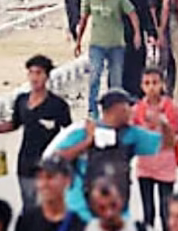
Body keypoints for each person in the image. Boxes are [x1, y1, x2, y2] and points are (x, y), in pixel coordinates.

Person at [55, 89, 166, 221]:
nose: (132, 111)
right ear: (117, 109)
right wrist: (87, 142)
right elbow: (57, 158)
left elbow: (166, 144)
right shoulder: (84, 131)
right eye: (128, 107)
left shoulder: (132, 134)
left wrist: (162, 123)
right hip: (81, 211)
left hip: (117, 213)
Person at [0, 55, 72, 209]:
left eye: (38, 73)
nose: (34, 77)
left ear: (46, 76)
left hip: (48, 167)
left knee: (45, 208)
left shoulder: (58, 105)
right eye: (31, 73)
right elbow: (14, 124)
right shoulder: (21, 100)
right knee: (28, 208)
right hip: (25, 164)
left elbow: (69, 132)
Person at [131, 68, 178, 231]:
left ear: (162, 84)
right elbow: (129, 128)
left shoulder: (171, 107)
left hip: (166, 164)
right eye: (147, 83)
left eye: (155, 83)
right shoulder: (138, 109)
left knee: (165, 207)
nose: (151, 87)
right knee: (148, 208)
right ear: (142, 86)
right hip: (144, 165)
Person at [75, 0, 142, 117]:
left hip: (116, 45)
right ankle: (93, 109)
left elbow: (132, 14)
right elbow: (84, 19)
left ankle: (114, 109)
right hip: (97, 45)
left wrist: (137, 34)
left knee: (116, 81)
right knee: (94, 76)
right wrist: (78, 41)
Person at [121, 0, 154, 98]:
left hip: (137, 37)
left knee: (138, 67)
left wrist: (151, 34)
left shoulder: (140, 0)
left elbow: (146, 18)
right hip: (122, 38)